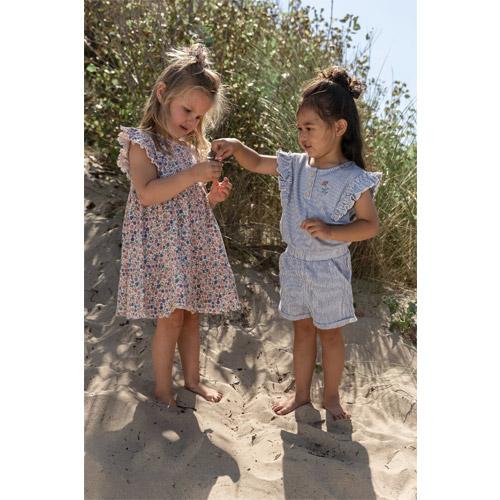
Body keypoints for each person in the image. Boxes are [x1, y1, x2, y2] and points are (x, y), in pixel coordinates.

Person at [212, 67, 381, 419]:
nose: (302, 136)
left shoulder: (352, 178)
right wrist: (237, 147)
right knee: (302, 332)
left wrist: (332, 231)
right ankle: (301, 394)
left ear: (339, 127)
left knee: (330, 336)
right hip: (294, 264)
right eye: (299, 128)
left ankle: (331, 398)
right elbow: (257, 162)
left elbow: (369, 225)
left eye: (310, 128)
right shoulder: (295, 166)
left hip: (329, 269)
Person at [116, 43, 240, 407]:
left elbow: (188, 205)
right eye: (187, 111)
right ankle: (162, 389)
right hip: (162, 249)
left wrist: (211, 197)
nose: (192, 122)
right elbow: (148, 194)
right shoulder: (143, 144)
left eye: (199, 117)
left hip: (188, 245)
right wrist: (192, 175)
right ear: (162, 94)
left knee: (191, 315)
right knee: (170, 318)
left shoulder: (189, 149)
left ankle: (192, 381)